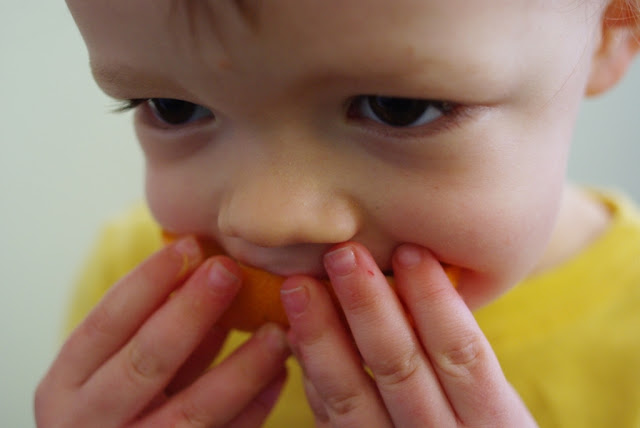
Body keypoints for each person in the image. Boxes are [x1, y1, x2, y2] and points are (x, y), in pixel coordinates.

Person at [35, 0, 640, 426]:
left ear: (612, 32)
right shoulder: (136, 295)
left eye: (399, 107)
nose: (265, 220)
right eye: (172, 107)